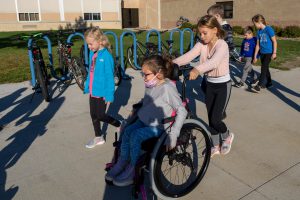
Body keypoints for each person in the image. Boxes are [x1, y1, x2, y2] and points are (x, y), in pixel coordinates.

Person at [105, 55, 188, 186]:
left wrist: (173, 134)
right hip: (145, 120)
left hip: (159, 126)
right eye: (142, 74)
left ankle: (132, 169)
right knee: (126, 131)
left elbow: (182, 111)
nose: (144, 78)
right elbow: (149, 101)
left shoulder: (167, 88)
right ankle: (122, 162)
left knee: (135, 136)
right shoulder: (151, 84)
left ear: (159, 73)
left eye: (146, 74)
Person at [173, 15, 234, 158]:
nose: (202, 36)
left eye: (204, 33)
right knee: (210, 117)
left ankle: (227, 135)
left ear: (215, 30)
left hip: (223, 85)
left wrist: (197, 70)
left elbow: (214, 62)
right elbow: (189, 56)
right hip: (209, 84)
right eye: (199, 33)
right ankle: (215, 145)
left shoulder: (222, 45)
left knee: (216, 119)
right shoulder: (202, 44)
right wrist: (172, 63)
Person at [83, 27, 121, 148]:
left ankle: (119, 124)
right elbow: (91, 72)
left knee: (101, 116)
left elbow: (110, 77)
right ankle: (98, 137)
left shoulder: (107, 56)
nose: (89, 47)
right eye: (87, 44)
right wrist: (87, 85)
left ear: (99, 41)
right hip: (93, 91)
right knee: (93, 115)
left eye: (90, 44)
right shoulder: (92, 54)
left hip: (102, 92)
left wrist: (109, 95)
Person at [251, 14, 277, 92]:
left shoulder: (269, 29)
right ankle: (269, 83)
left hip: (269, 52)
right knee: (266, 68)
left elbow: (274, 41)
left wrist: (274, 53)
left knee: (263, 68)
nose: (254, 25)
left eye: (254, 23)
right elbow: (258, 45)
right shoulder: (259, 32)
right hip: (262, 53)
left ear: (259, 22)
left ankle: (259, 85)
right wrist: (255, 56)